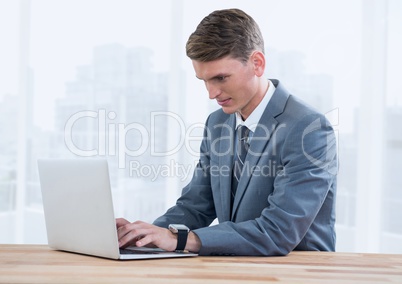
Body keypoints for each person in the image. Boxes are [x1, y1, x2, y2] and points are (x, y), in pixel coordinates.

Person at [116, 8, 337, 256]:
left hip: (294, 273)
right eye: (204, 81)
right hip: (233, 269)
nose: (212, 93)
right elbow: (196, 206)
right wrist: (142, 237)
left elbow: (278, 231)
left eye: (221, 78)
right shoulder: (218, 123)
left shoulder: (309, 129)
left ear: (257, 64)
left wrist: (179, 240)